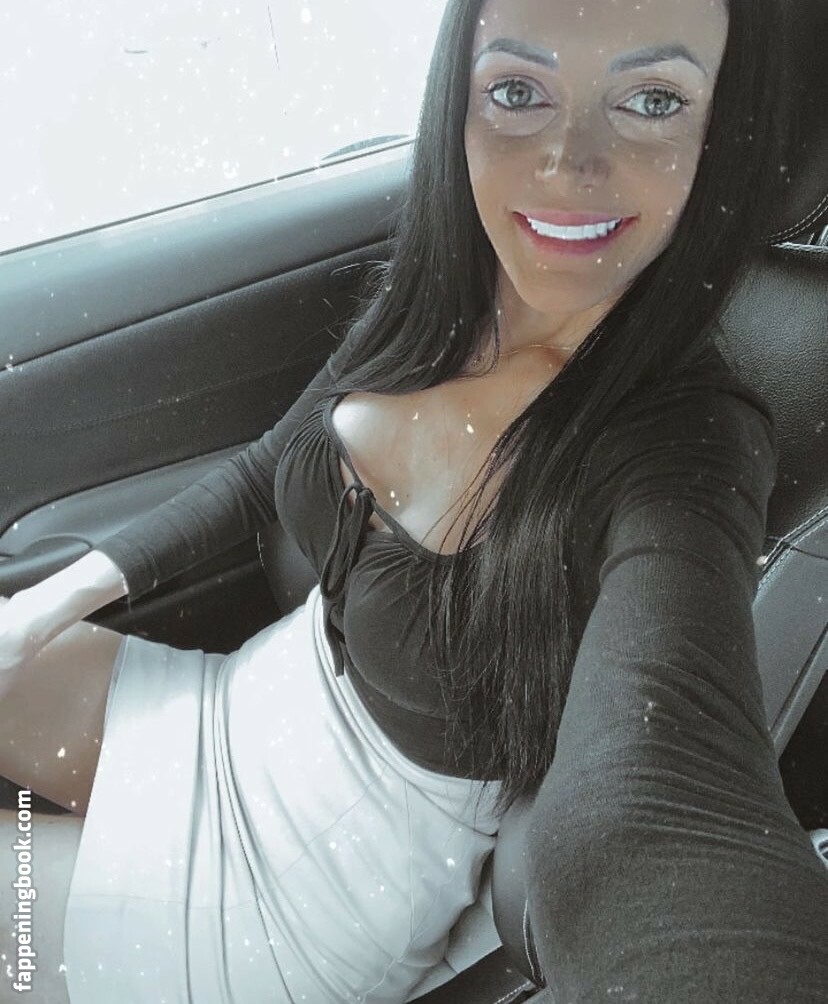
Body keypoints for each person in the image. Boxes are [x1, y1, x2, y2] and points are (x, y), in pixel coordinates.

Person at [1, 0, 827, 1000]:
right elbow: (261, 472)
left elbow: (670, 802)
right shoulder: (440, 297)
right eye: (518, 89)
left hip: (315, 894)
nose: (567, 160)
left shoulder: (686, 439)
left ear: (722, 132)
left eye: (652, 99)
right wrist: (37, 613)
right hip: (239, 711)